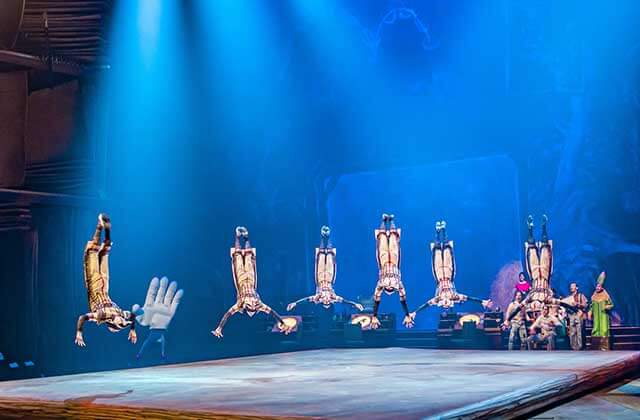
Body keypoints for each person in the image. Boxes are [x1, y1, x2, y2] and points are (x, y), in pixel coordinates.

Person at [212, 227, 293, 338]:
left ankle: (237, 236)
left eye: (250, 308)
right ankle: (246, 237)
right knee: (249, 257)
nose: (252, 306)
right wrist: (282, 323)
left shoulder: (239, 305)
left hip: (241, 279)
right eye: (253, 309)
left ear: (246, 309)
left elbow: (227, 315)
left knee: (238, 256)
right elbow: (273, 312)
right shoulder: (259, 305)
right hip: (250, 279)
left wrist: (219, 328)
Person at [75, 213, 137, 347]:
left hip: (95, 284)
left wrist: (79, 332)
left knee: (95, 252)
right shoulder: (120, 313)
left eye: (120, 324)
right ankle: (104, 229)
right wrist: (132, 330)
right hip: (103, 284)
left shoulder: (102, 316)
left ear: (113, 324)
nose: (122, 321)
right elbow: (132, 316)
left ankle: (102, 228)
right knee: (99, 253)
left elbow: (83, 317)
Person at [411, 220, 491, 318]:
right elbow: (469, 298)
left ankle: (437, 231)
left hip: (439, 275)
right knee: (447, 252)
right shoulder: (455, 297)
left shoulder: (437, 299)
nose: (445, 304)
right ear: (450, 305)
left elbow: (426, 305)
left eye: (444, 306)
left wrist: (415, 312)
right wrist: (482, 301)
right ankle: (443, 231)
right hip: (449, 274)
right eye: (447, 306)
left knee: (437, 253)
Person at [287, 226, 363, 311]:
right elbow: (344, 301)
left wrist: (295, 303)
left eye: (324, 302)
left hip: (320, 278)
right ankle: (328, 236)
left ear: (321, 301)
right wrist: (355, 304)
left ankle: (323, 237)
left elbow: (306, 299)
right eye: (328, 302)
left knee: (321, 256)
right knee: (330, 255)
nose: (326, 300)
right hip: (329, 277)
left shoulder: (318, 297)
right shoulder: (333, 297)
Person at [370, 213, 414, 329]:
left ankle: (384, 220)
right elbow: (403, 300)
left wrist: (374, 315)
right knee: (393, 239)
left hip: (384, 260)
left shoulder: (380, 285)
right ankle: (392, 220)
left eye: (388, 289)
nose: (389, 287)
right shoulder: (398, 285)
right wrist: (407, 314)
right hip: (394, 260)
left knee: (383, 239)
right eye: (391, 289)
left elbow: (376, 300)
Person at [133, 277, 184, 360]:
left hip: (160, 330)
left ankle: (161, 355)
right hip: (155, 331)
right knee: (148, 343)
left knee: (160, 341)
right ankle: (140, 354)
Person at [588, 271, 613, 351]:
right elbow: (591, 306)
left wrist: (607, 307)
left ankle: (604, 347)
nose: (597, 288)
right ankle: (596, 346)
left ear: (602, 287)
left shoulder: (605, 295)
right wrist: (590, 312)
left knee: (604, 330)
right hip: (596, 317)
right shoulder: (594, 296)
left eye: (599, 287)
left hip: (603, 316)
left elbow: (611, 304)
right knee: (595, 329)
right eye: (597, 287)